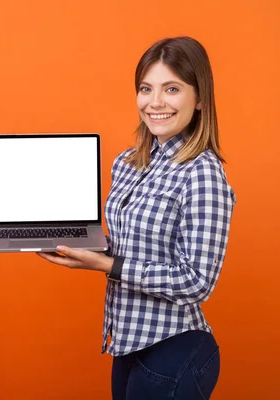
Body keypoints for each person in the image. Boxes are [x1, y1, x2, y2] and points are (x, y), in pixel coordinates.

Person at [37, 36, 236, 400]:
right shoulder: (129, 163)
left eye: (171, 88)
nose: (155, 102)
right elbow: (128, 244)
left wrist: (107, 264)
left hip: (174, 347)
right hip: (128, 342)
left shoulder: (202, 173)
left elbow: (197, 281)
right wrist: (73, 242)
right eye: (146, 89)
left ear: (201, 99)